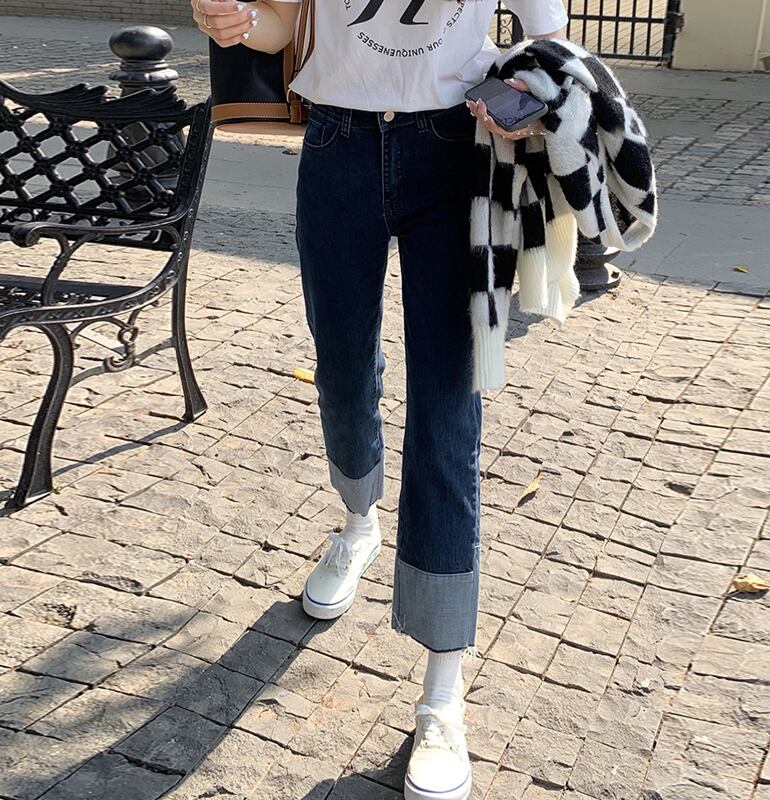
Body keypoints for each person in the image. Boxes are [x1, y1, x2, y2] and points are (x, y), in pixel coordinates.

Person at [192, 2, 568, 798]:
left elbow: (550, 39)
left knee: (447, 410)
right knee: (341, 367)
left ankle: (442, 696)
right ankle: (358, 522)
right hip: (338, 147)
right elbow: (283, 25)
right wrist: (236, 21)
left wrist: (526, 100)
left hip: (456, 149)